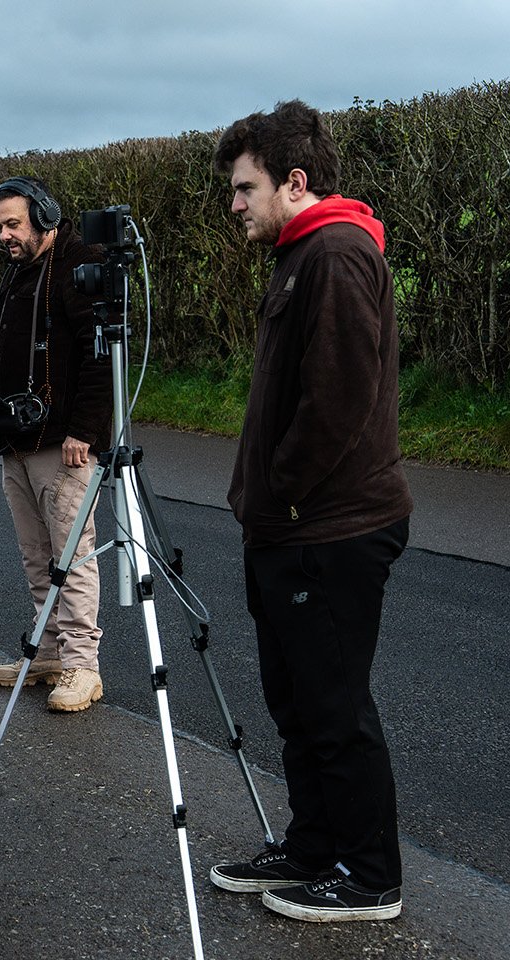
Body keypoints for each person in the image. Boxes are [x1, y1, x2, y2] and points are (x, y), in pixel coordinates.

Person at [208, 100, 413, 923]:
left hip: (328, 529)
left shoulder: (333, 254)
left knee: (334, 707)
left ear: (294, 181)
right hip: (292, 529)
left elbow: (337, 402)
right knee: (298, 704)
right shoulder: (304, 253)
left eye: (245, 187)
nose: (235, 204)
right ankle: (313, 846)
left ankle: (368, 876)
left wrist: (282, 492)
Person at [0, 177, 112, 712]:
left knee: (71, 557)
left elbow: (100, 355)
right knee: (36, 556)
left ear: (45, 215)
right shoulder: (18, 273)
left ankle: (84, 666)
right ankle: (51, 652)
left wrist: (84, 430)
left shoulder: (81, 266)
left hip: (65, 446)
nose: (6, 236)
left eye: (14, 224)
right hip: (17, 443)